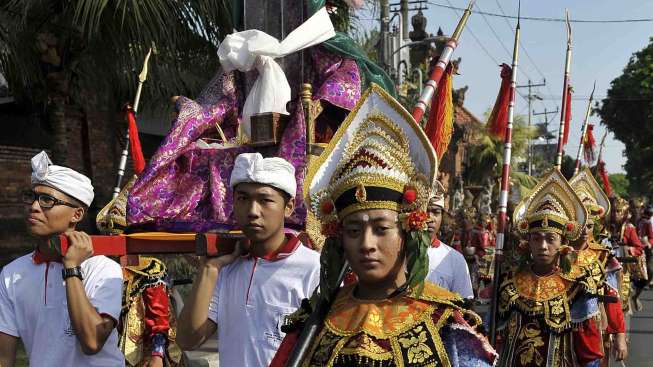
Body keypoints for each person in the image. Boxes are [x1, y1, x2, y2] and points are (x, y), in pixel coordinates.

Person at [271, 85, 497, 367]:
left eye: (381, 229)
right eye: (353, 231)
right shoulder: (315, 321)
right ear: (338, 237)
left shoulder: (447, 326)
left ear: (408, 230)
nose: (366, 244)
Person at [176, 152, 320, 367]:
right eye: (243, 199)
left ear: (288, 207)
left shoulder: (314, 269)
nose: (253, 211)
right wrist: (209, 269)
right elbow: (188, 340)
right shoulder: (226, 268)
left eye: (265, 200)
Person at [0, 151, 124, 366]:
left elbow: (92, 342)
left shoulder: (104, 268)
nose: (34, 207)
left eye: (47, 200)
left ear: (76, 215)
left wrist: (71, 267)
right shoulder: (12, 274)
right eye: (31, 197)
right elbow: (4, 357)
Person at [498, 169, 599, 367]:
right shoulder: (509, 282)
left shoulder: (577, 286)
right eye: (536, 238)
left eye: (550, 239)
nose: (543, 246)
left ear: (563, 242)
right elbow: (494, 338)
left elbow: (589, 350)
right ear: (528, 243)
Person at [569, 167, 628, 363]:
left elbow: (611, 296)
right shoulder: (555, 254)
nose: (585, 231)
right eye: (580, 224)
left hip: (590, 332)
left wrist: (619, 335)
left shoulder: (602, 255)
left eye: (590, 225)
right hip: (555, 333)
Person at [425, 181, 474, 299]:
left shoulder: (455, 259)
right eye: (426, 211)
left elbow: (465, 305)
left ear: (442, 217)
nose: (430, 218)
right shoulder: (398, 254)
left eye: (436, 212)